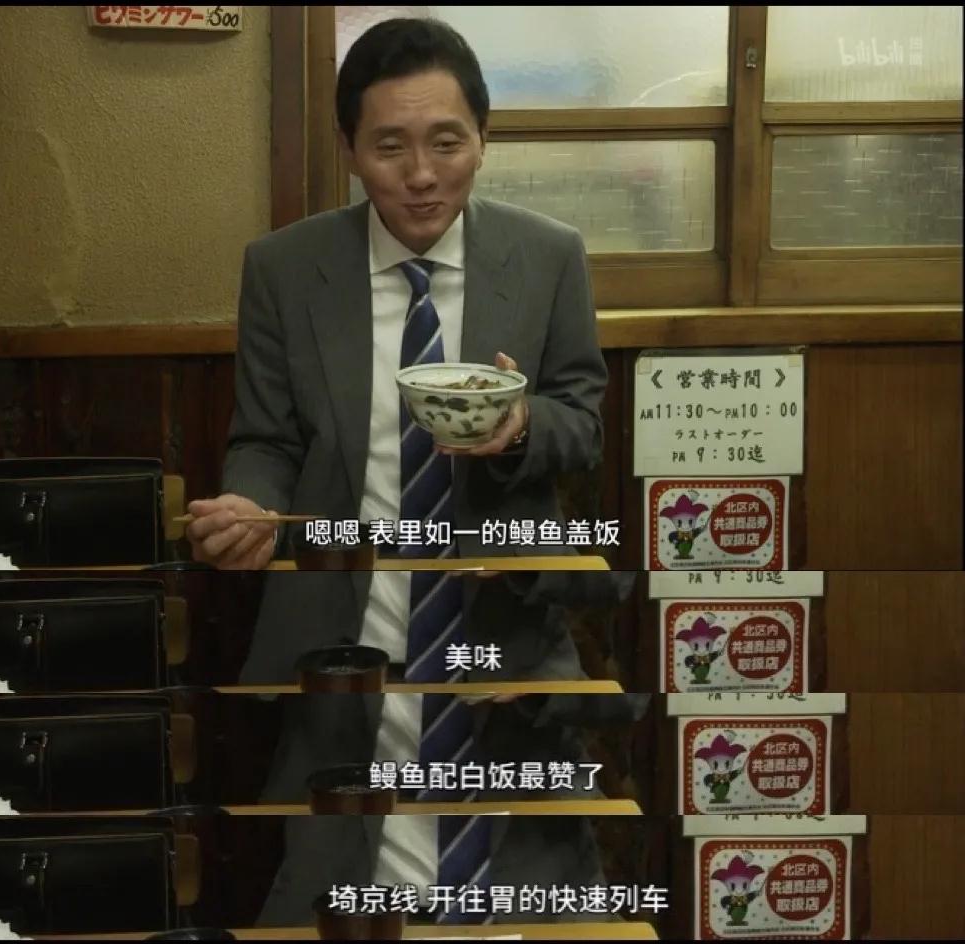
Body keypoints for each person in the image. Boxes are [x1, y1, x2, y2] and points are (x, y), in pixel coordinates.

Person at [182, 15, 644, 926]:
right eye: (391, 146)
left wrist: (520, 425)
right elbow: (267, 439)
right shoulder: (285, 269)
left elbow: (582, 424)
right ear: (350, 149)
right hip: (344, 638)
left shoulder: (547, 256)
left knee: (529, 903)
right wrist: (249, 507)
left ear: (484, 137)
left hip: (501, 639)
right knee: (337, 900)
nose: (422, 174)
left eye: (447, 142)